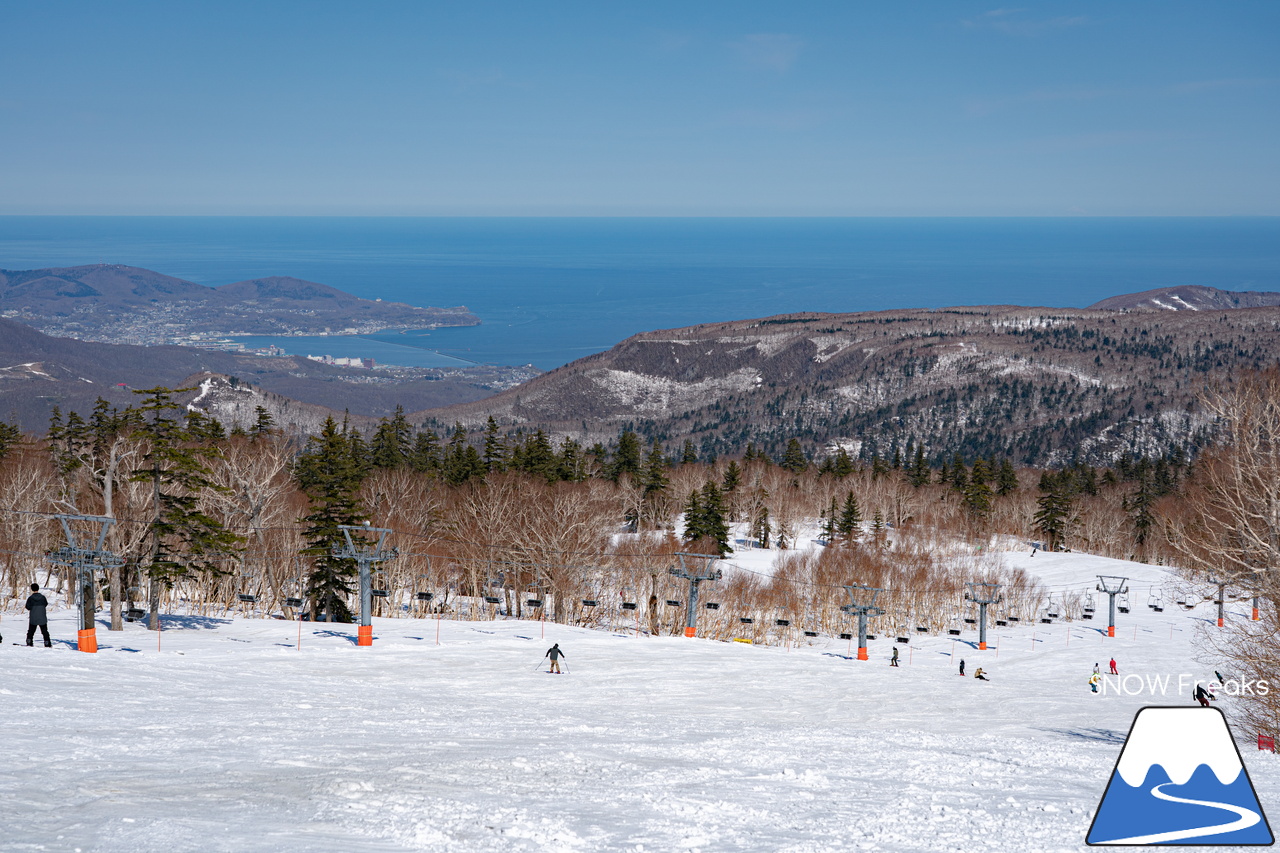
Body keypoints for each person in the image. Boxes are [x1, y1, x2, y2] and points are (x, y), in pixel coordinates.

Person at [25, 583, 51, 647]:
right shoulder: (42, 597)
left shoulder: (30, 598)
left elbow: (27, 607)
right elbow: (45, 604)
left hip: (33, 616)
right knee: (44, 631)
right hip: (42, 616)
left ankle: (29, 641)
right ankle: (47, 642)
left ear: (31, 589)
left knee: (31, 631)